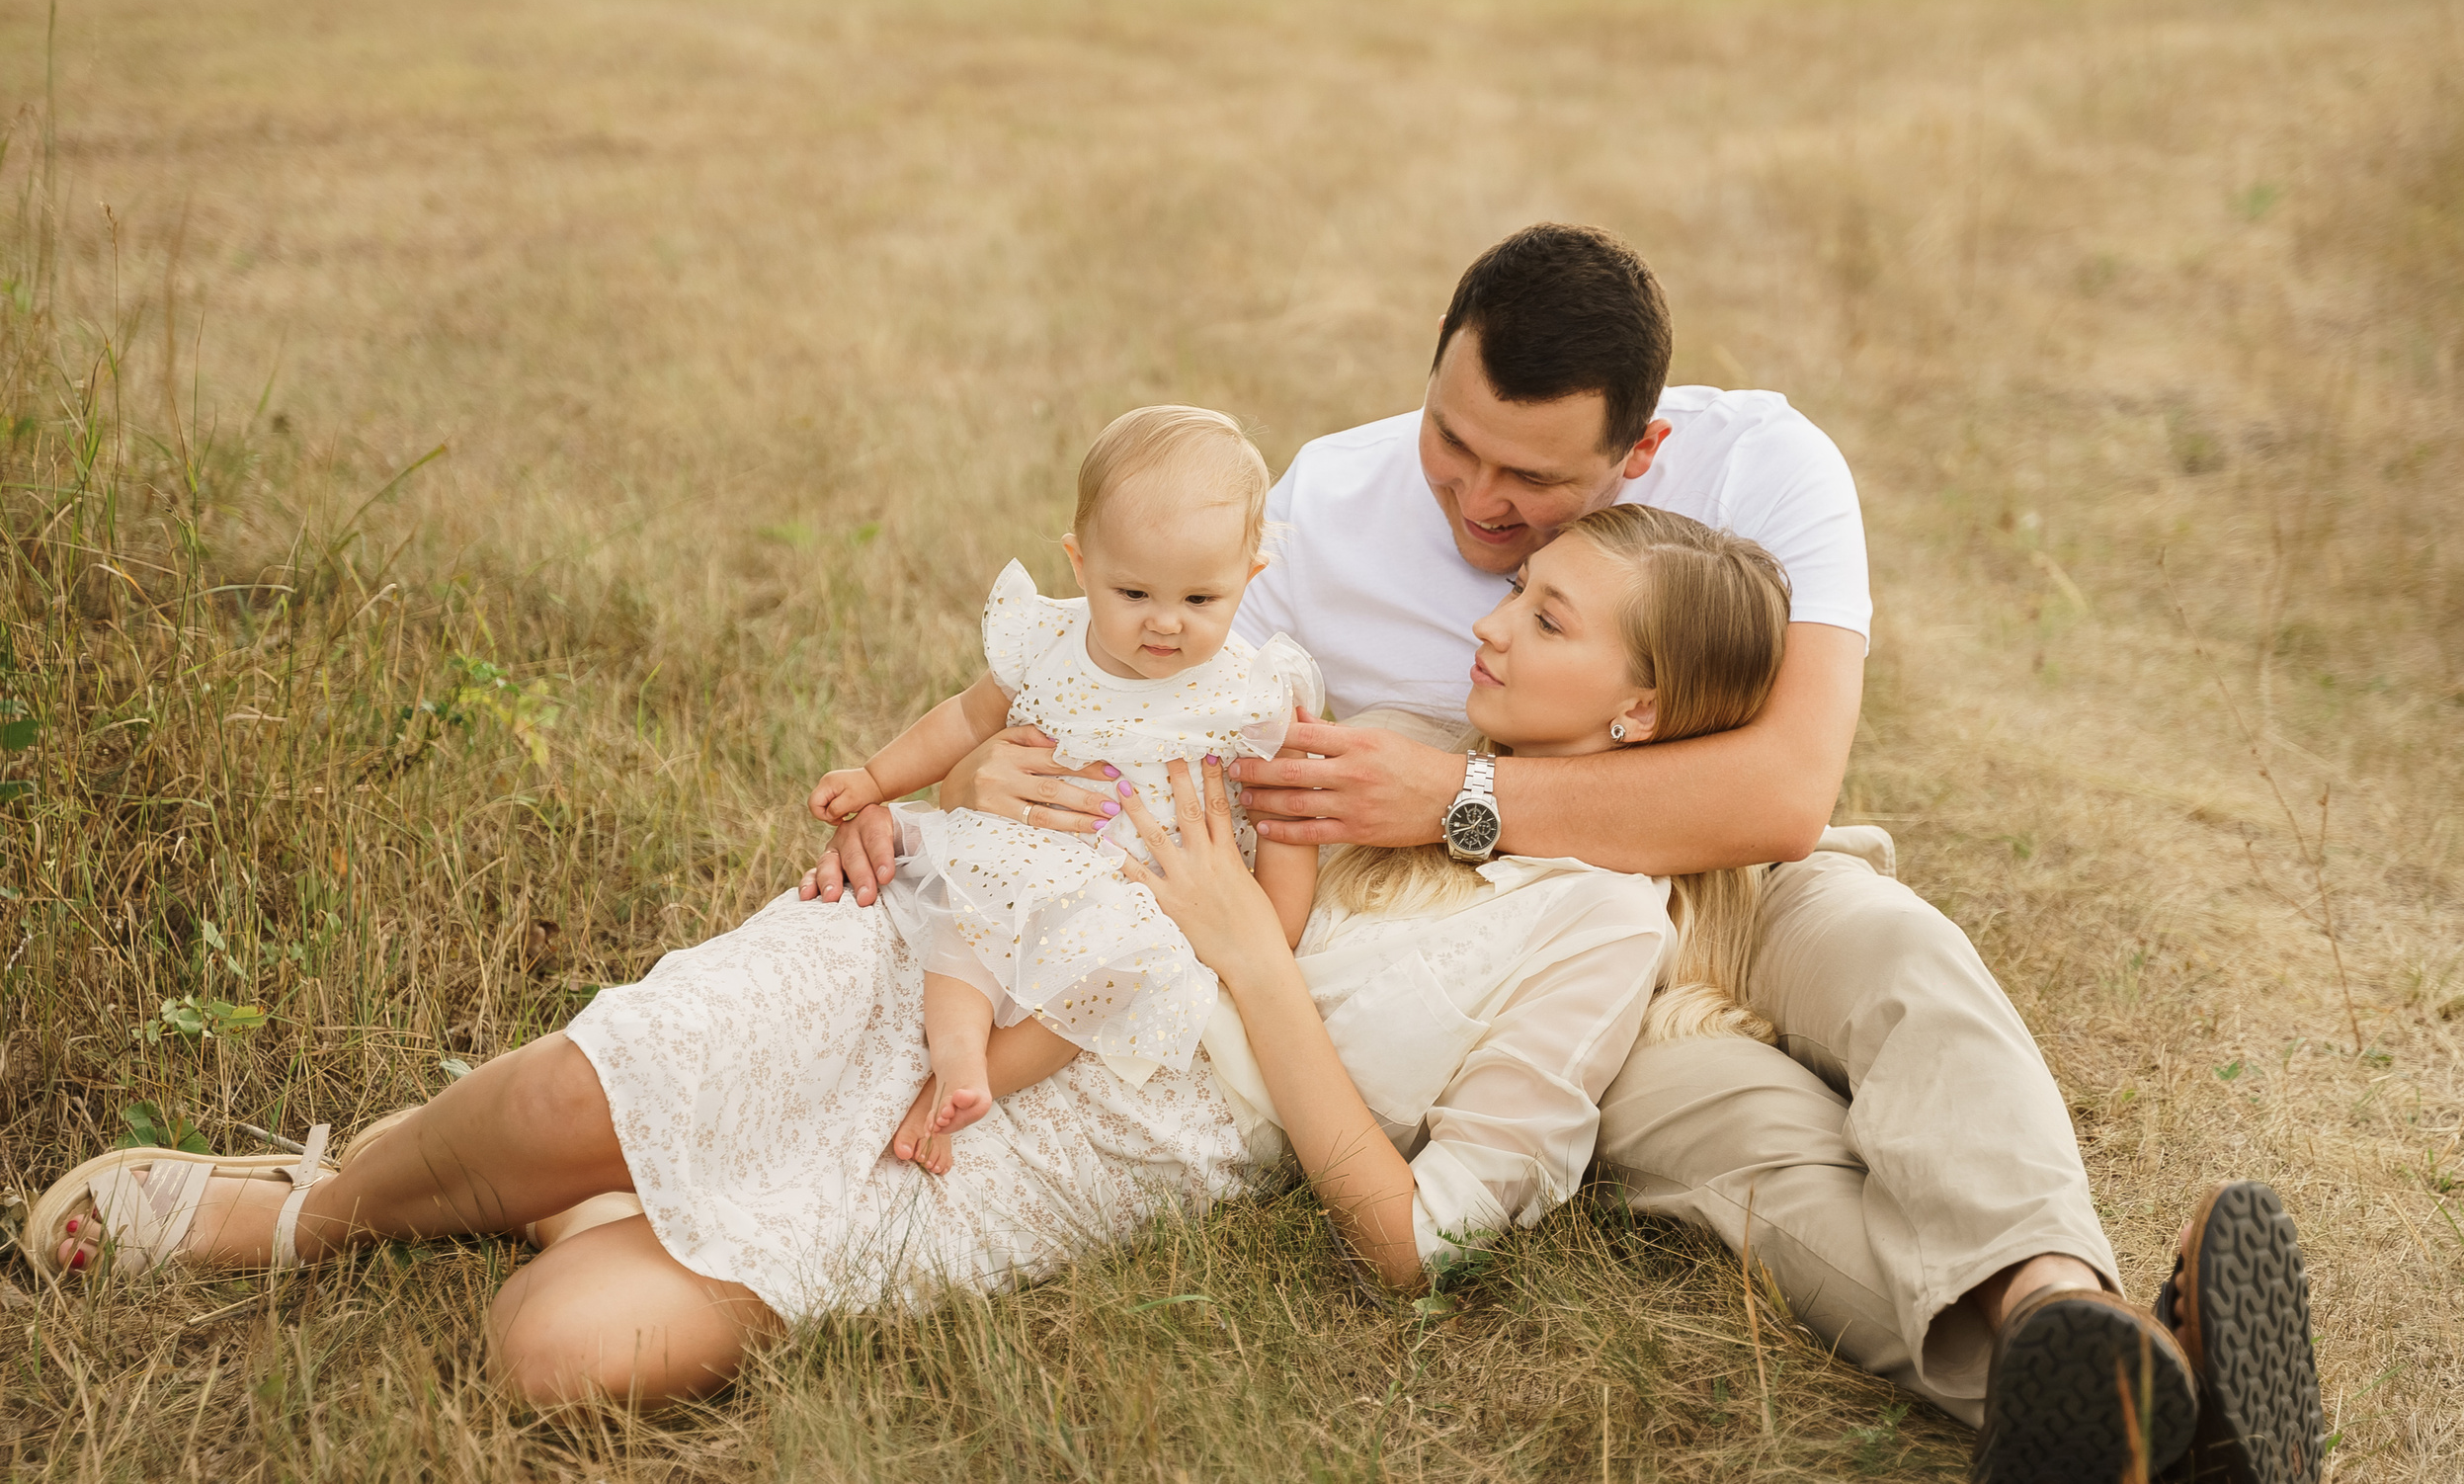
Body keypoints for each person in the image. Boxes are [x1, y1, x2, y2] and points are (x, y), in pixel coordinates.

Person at [811, 223, 2325, 1484]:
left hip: (1728, 868)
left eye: (1531, 486)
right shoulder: (1321, 507)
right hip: (1523, 951)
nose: (1480, 503)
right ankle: (2149, 1410)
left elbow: (1781, 789)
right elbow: (1143, 692)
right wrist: (959, 783)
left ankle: (2055, 1295)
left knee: (1900, 962)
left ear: (1640, 452)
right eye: (1452, 443)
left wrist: (1461, 794)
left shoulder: (1767, 465)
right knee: (1769, 1170)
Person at [27, 505, 1785, 1421]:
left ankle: (590, 1182)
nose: (1491, 616)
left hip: (1137, 1116)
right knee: (577, 1092)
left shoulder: (1596, 932)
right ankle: (309, 1210)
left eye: (1546, 614)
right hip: (982, 948)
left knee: (557, 1348)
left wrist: (1251, 963)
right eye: (1518, 589)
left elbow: (1424, 1239)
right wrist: (970, 783)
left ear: (1640, 707)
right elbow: (1099, 718)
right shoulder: (1389, 740)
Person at [807, 405, 1321, 1172]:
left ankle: (979, 1083)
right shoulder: (1047, 639)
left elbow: (1287, 817)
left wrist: (1270, 932)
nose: (1166, 623)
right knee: (965, 932)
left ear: (1248, 577)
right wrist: (877, 776)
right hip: (1024, 849)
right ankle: (956, 1055)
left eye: (1200, 600)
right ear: (1081, 564)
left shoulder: (1251, 695)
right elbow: (965, 718)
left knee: (1093, 990)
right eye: (1134, 593)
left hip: (1136, 899)